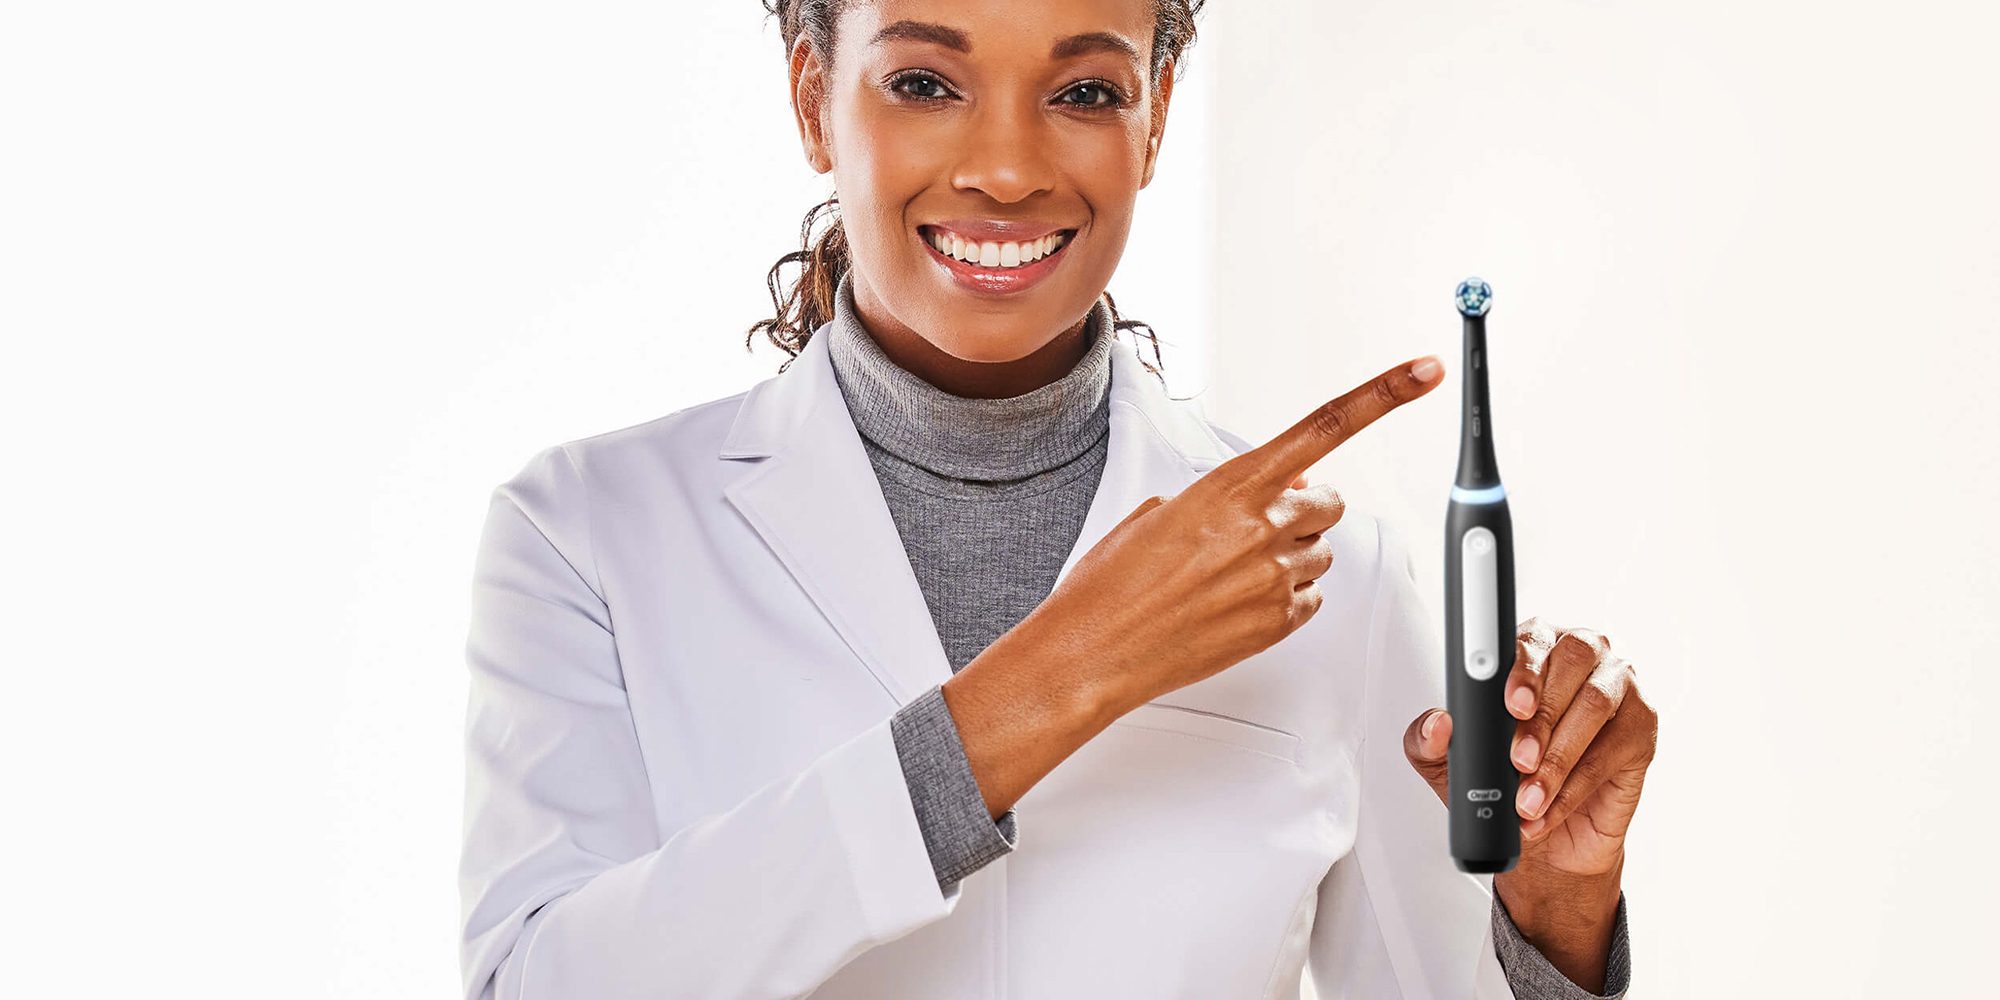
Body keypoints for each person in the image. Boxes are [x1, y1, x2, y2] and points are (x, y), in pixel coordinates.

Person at [457, 2, 1655, 997]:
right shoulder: (587, 534)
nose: (1006, 169)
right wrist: (1064, 671)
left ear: (1156, 116)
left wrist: (1551, 910)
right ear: (811, 94)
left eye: (1083, 92)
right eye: (924, 81)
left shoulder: (1330, 569)